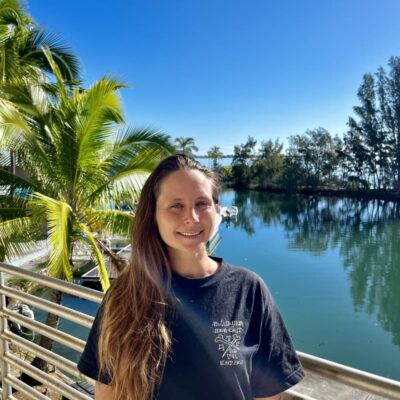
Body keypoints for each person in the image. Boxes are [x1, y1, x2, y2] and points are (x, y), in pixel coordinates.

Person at [78, 154, 304, 400]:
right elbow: (108, 392)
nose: (192, 218)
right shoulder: (125, 295)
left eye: (201, 204)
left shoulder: (248, 290)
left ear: (217, 210)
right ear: (153, 215)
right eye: (176, 205)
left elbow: (269, 394)